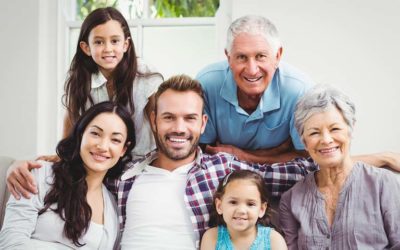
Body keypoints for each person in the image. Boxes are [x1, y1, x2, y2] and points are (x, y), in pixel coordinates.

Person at [7, 76, 400, 249]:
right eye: (169, 117)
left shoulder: (221, 170)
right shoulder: (124, 172)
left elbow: (308, 164)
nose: (179, 128)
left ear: (203, 124)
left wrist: (378, 157)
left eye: (189, 118)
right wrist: (26, 165)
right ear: (152, 121)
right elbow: (87, 163)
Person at [0, 101, 136, 249]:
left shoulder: (113, 208)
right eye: (95, 133)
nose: (102, 146)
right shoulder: (41, 174)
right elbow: (11, 243)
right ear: (81, 134)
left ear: (123, 149)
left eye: (115, 140)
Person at [279, 85, 400, 249]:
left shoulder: (384, 184)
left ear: (350, 130)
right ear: (304, 141)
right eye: (314, 132)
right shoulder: (291, 199)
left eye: (334, 128)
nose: (326, 139)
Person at [38, 7, 163, 163]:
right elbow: (71, 117)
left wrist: (163, 159)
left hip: (141, 160)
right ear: (86, 48)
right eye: (98, 42)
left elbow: (157, 120)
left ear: (126, 44)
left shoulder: (144, 74)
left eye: (115, 41)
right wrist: (63, 156)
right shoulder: (80, 77)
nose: (108, 49)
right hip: (100, 161)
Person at [196, 15, 313, 164]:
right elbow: (204, 151)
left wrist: (239, 155)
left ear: (277, 56)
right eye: (242, 57)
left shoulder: (300, 90)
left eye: (260, 56)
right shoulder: (206, 83)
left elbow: (306, 157)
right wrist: (277, 151)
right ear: (228, 57)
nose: (252, 70)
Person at [200, 170, 287, 250]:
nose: (241, 210)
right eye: (233, 202)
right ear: (219, 206)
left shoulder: (274, 240)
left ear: (261, 209)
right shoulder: (211, 237)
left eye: (250, 204)